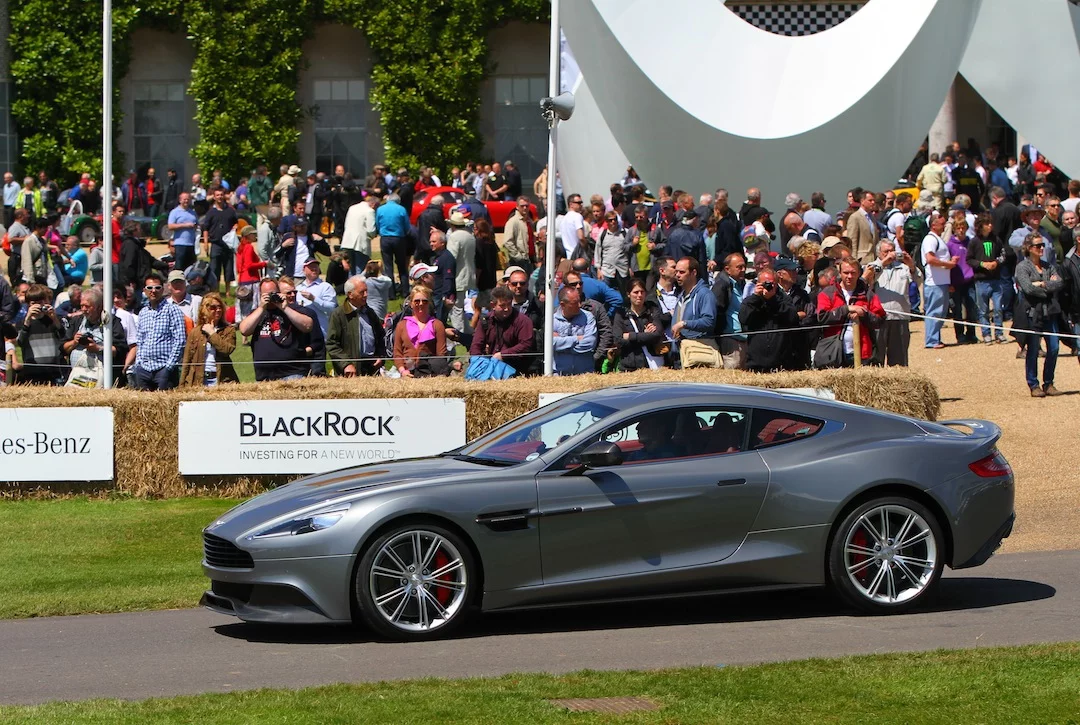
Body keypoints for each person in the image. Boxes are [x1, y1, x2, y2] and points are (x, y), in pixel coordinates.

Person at [1015, 234, 1065, 397]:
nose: (1042, 248)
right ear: (1029, 248)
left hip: (1049, 311)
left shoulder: (1047, 265)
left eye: (1042, 245)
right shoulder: (1022, 267)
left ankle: (1049, 383)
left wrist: (1042, 284)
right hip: (1032, 313)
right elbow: (1027, 289)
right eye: (1038, 246)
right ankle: (1033, 384)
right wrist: (1046, 288)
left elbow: (1059, 283)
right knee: (1034, 349)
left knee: (1054, 347)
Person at [239, 277, 315, 381]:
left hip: (292, 373)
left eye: (273, 293)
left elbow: (308, 325)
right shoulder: (257, 313)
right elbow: (244, 330)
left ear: (279, 292)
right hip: (264, 377)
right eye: (266, 294)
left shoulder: (292, 309)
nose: (270, 297)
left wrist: (284, 308)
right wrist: (261, 307)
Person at [816, 258, 886, 367]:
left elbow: (880, 320)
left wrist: (864, 314)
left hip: (863, 352)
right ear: (839, 273)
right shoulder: (827, 293)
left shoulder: (868, 294)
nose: (849, 276)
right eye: (846, 273)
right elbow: (822, 317)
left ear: (859, 273)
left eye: (853, 273)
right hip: (834, 352)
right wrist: (846, 309)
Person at [132, 272, 187, 390]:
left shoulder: (173, 310)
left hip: (164, 368)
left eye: (157, 287)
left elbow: (180, 340)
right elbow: (140, 340)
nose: (153, 291)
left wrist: (169, 366)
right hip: (144, 369)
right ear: (144, 290)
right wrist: (139, 364)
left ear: (163, 289)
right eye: (150, 288)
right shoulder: (143, 313)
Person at [739, 268, 800, 372]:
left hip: (781, 364)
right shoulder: (751, 300)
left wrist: (772, 300)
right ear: (758, 284)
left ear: (776, 284)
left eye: (771, 284)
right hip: (755, 364)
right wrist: (756, 297)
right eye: (764, 283)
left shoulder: (783, 299)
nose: (768, 286)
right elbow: (743, 318)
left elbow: (793, 318)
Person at [867, 239, 915, 365]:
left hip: (900, 316)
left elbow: (918, 280)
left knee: (899, 359)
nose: (890, 254)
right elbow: (866, 281)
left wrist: (911, 265)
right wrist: (883, 263)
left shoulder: (903, 268)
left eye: (892, 250)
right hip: (878, 318)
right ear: (879, 253)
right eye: (886, 251)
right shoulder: (871, 266)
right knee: (876, 357)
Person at [327, 276, 386, 377]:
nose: (366, 295)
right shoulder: (339, 315)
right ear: (350, 294)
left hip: (372, 367)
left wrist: (380, 357)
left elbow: (381, 337)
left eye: (366, 291)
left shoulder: (370, 313)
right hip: (350, 371)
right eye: (362, 292)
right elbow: (332, 344)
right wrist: (346, 364)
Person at [468, 285, 534, 375]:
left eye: (509, 304)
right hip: (491, 366)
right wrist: (476, 362)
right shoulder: (485, 321)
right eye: (502, 306)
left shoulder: (523, 321)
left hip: (517, 368)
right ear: (493, 305)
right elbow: (476, 345)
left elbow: (526, 345)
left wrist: (503, 355)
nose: (507, 309)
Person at [180, 293, 238, 387]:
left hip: (221, 379)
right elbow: (187, 360)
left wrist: (212, 333)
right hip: (198, 381)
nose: (218, 310)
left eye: (220, 307)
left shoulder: (228, 330)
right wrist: (182, 385)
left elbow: (227, 350)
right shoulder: (195, 332)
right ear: (204, 310)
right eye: (213, 307)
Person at [968, 213, 1009, 345]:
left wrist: (996, 262)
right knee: (983, 309)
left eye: (990, 223)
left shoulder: (996, 239)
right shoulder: (974, 241)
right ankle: (986, 333)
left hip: (996, 279)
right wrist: (982, 264)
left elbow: (1003, 254)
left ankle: (999, 332)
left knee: (998, 308)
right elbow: (969, 259)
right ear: (980, 226)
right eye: (986, 223)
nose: (990, 225)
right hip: (981, 280)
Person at [393, 285, 449, 378]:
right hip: (407, 374)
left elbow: (441, 354)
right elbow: (397, 352)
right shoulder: (401, 325)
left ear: (429, 303)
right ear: (411, 303)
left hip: (430, 373)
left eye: (425, 301)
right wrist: (402, 371)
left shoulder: (437, 325)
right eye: (417, 301)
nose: (421, 304)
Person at [672, 256, 718, 368]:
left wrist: (684, 324)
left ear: (694, 273)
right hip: (681, 354)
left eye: (682, 272)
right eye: (676, 271)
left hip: (698, 354)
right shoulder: (681, 295)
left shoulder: (705, 294)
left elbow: (709, 321)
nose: (677, 275)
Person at [612, 277, 666, 371]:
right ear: (629, 294)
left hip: (652, 364)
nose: (639, 295)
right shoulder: (621, 314)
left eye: (642, 292)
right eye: (636, 292)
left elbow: (657, 334)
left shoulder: (652, 310)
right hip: (629, 365)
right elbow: (618, 340)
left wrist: (631, 336)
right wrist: (645, 334)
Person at [15, 284, 65, 384]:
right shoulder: (22, 323)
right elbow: (20, 342)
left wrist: (54, 318)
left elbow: (62, 336)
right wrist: (28, 319)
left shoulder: (52, 320)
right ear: (28, 304)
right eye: (34, 303)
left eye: (40, 303)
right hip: (32, 372)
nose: (37, 306)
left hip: (53, 371)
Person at [920, 213, 955, 349]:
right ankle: (931, 340)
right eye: (942, 224)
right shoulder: (930, 239)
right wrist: (949, 264)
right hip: (935, 283)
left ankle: (935, 338)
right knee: (934, 311)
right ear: (933, 225)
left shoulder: (937, 239)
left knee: (940, 311)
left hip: (941, 281)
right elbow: (930, 259)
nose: (944, 226)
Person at [712, 252, 748, 369]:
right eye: (739, 267)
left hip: (744, 338)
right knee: (732, 376)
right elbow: (716, 310)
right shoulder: (722, 286)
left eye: (744, 266)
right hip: (730, 340)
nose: (743, 269)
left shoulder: (742, 284)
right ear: (727, 269)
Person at [200, 186, 239, 292]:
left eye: (221, 195)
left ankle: (227, 292)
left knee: (228, 269)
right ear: (214, 197)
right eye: (217, 195)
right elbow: (206, 228)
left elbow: (236, 222)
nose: (220, 197)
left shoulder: (230, 211)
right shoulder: (210, 212)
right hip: (215, 244)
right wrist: (206, 243)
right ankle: (215, 290)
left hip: (228, 245)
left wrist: (235, 226)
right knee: (214, 269)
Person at [551, 286, 597, 375]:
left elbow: (590, 343)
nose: (579, 305)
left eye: (579, 301)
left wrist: (562, 347)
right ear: (562, 305)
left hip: (585, 374)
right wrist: (577, 339)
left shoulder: (588, 317)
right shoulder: (552, 320)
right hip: (560, 375)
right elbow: (552, 343)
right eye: (575, 303)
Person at [376, 193, 412, 298]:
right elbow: (407, 226)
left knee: (388, 267)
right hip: (399, 238)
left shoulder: (380, 209)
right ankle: (405, 291)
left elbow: (378, 224)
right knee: (402, 266)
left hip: (385, 238)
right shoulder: (401, 209)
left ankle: (391, 294)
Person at [446, 211, 477, 333]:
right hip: (469, 274)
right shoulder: (470, 235)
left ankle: (458, 333)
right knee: (460, 306)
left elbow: (451, 257)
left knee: (456, 307)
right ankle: (467, 330)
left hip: (458, 275)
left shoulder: (454, 237)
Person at [295, 257, 338, 339]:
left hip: (320, 331)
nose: (314, 269)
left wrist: (314, 299)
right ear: (304, 270)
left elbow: (332, 309)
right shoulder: (298, 288)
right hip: (302, 332)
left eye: (316, 266)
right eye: (311, 267)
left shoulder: (326, 287)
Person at [593, 210, 632, 295]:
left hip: (622, 268)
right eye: (610, 220)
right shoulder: (602, 235)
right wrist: (598, 269)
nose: (613, 222)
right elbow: (597, 252)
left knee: (625, 293)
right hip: (607, 269)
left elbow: (630, 251)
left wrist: (630, 267)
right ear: (606, 222)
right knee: (606, 294)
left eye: (615, 219)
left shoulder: (625, 233)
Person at [340, 189, 378, 274]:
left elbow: (346, 224)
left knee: (351, 269)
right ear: (374, 204)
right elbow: (371, 230)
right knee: (360, 270)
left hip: (348, 241)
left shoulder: (352, 208)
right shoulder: (370, 211)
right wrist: (373, 235)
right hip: (360, 243)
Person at [235, 224, 265, 321]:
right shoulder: (248, 247)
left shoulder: (241, 247)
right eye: (253, 234)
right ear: (248, 235)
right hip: (251, 280)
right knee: (252, 308)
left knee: (244, 309)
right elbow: (249, 265)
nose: (255, 236)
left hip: (243, 280)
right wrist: (264, 264)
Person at [167, 191, 200, 272]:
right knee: (179, 268)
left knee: (191, 268)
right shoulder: (174, 212)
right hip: (180, 244)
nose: (186, 201)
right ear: (180, 200)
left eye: (188, 199)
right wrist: (185, 225)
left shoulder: (193, 212)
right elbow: (170, 226)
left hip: (191, 244)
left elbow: (197, 225)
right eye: (184, 199)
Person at [503, 197, 535, 271]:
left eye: (527, 206)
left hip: (530, 259)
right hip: (518, 261)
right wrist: (518, 256)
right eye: (522, 206)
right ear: (517, 207)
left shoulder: (529, 222)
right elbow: (507, 242)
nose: (525, 208)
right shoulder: (513, 222)